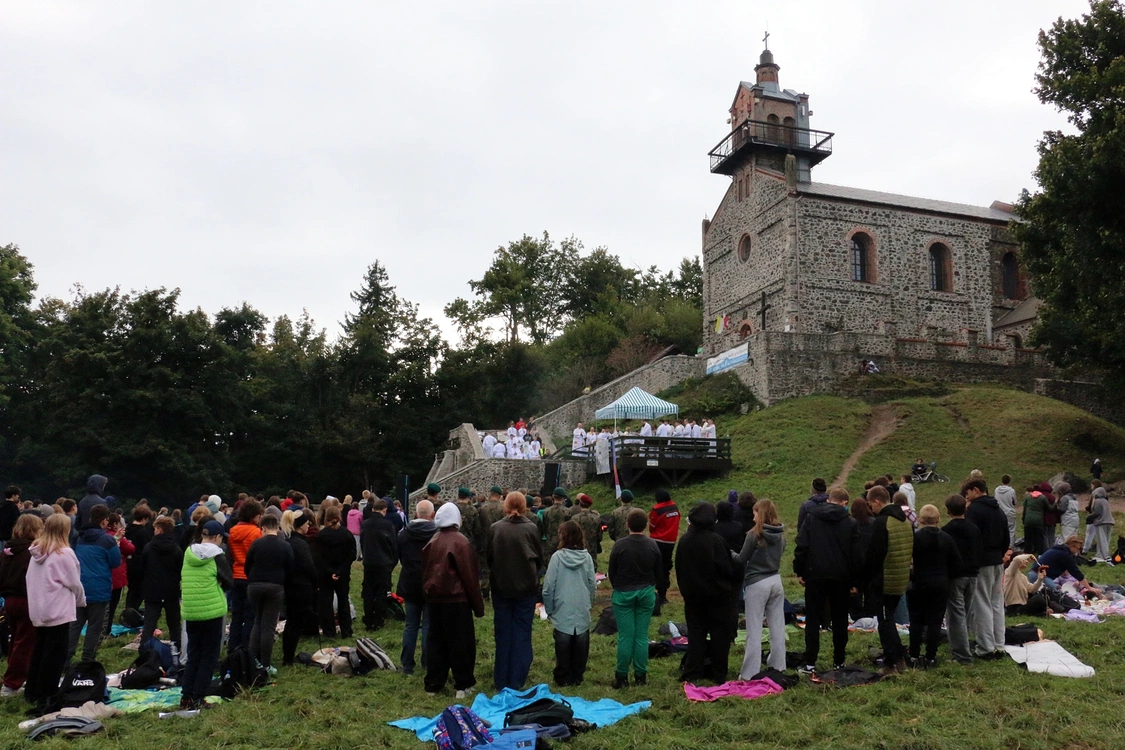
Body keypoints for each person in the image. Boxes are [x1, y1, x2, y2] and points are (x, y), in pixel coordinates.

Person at [795, 487, 860, 675]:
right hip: (841, 577)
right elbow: (856, 555)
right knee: (840, 619)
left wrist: (800, 571)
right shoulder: (850, 523)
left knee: (813, 618)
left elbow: (802, 546)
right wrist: (855, 581)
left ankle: (810, 662)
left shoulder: (811, 518)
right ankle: (839, 661)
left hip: (815, 574)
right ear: (845, 503)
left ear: (829, 500)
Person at [675, 501, 742, 684]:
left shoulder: (685, 540)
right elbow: (726, 569)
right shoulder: (716, 541)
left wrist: (685, 590)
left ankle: (693, 671)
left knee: (696, 635)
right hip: (717, 597)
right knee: (720, 635)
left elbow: (679, 567)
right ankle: (718, 672)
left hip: (693, 597)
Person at [423, 503, 485, 699]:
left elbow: (425, 572)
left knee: (436, 642)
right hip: (457, 600)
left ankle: (434, 684)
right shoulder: (461, 542)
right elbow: (469, 576)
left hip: (435, 600)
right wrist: (478, 606)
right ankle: (463, 684)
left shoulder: (432, 541)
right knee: (461, 643)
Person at [25, 514, 84, 715]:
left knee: (40, 650)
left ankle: (33, 690)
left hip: (39, 608)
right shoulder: (64, 554)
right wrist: (81, 601)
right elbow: (74, 582)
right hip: (58, 609)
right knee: (55, 654)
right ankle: (47, 693)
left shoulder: (36, 553)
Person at [488, 492, 543, 691]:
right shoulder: (531, 529)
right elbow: (539, 557)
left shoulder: (496, 529)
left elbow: (490, 557)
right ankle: (517, 678)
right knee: (522, 633)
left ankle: (501, 678)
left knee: (503, 632)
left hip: (501, 587)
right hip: (525, 588)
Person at [180, 520, 233, 710]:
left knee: (194, 654)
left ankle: (186, 696)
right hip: (211, 611)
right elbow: (229, 581)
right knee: (208, 657)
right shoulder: (217, 556)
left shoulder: (188, 553)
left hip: (191, 610)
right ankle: (198, 696)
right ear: (217, 537)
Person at [608, 508, 663, 688]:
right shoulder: (652, 545)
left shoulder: (620, 545)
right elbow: (659, 571)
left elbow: (612, 571)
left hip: (623, 592)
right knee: (641, 635)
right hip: (646, 591)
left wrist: (618, 586)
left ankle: (622, 676)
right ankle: (640, 675)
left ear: (627, 525)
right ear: (646, 525)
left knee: (625, 636)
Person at [861, 485, 912, 674]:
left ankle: (891, 662)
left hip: (885, 581)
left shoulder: (882, 523)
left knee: (884, 622)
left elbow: (875, 556)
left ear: (876, 501)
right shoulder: (904, 521)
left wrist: (866, 580)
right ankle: (900, 656)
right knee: (889, 618)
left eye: (870, 504)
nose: (870, 509)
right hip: (901, 578)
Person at [542, 521, 596, 687]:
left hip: (562, 606)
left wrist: (549, 609)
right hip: (581, 605)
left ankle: (562, 676)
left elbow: (548, 587)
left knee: (562, 642)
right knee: (581, 641)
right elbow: (592, 584)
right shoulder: (587, 558)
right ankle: (577, 675)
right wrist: (589, 603)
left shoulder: (557, 558)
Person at [737, 499, 786, 679]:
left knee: (754, 630)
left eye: (755, 513)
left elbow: (742, 558)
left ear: (761, 513)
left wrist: (728, 552)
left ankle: (749, 672)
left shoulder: (754, 534)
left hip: (757, 583)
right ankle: (778, 666)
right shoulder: (781, 535)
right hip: (775, 580)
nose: (753, 517)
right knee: (777, 627)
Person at [66, 504, 121, 665]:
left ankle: (66, 658)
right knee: (95, 626)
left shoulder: (79, 537)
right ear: (104, 521)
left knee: (75, 625)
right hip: (99, 588)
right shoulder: (108, 540)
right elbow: (116, 562)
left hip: (79, 586)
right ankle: (88, 659)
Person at [908, 505, 961, 668]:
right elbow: (957, 563)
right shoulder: (947, 539)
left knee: (916, 620)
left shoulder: (915, 538)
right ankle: (931, 656)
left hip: (919, 583)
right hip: (940, 584)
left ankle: (914, 654)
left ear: (920, 520)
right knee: (935, 621)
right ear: (938, 520)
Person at [963, 478, 1010, 660]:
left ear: (975, 490)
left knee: (981, 604)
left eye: (967, 493)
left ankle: (985, 647)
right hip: (997, 561)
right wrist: (1000, 554)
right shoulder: (999, 510)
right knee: (997, 603)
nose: (967, 497)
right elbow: (1006, 537)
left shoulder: (973, 510)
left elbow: (970, 537)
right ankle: (999, 644)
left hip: (981, 562)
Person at [0, 514, 43, 697]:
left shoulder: (7, 551)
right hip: (27, 600)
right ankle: (11, 684)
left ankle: (14, 678)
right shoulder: (31, 552)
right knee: (25, 643)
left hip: (10, 601)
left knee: (16, 640)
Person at [245, 514, 292, 670]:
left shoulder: (256, 544)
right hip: (275, 586)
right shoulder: (285, 546)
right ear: (277, 528)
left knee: (257, 621)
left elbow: (247, 565)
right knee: (269, 626)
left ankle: (252, 660)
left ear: (263, 528)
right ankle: (265, 663)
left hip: (255, 585)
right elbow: (290, 567)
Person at [397, 499, 437, 675]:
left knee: (411, 624)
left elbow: (400, 557)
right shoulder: (436, 535)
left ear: (415, 513)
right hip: (430, 583)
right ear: (433, 515)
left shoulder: (403, 535)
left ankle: (407, 664)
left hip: (410, 582)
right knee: (428, 625)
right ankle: (427, 662)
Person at [941, 494, 982, 664]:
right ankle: (963, 645)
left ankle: (962, 654)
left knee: (955, 615)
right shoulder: (974, 529)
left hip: (955, 576)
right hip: (972, 575)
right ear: (965, 508)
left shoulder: (946, 531)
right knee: (965, 612)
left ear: (948, 511)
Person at [138, 516, 183, 651]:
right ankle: (177, 649)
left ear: (159, 529)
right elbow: (180, 570)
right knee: (174, 624)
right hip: (171, 591)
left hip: (152, 591)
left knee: (149, 624)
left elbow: (142, 569)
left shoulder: (148, 548)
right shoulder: (177, 549)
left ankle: (144, 651)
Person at [282, 510, 318, 666]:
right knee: (296, 623)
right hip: (302, 587)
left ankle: (287, 654)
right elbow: (308, 566)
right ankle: (288, 657)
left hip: (289, 586)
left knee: (291, 621)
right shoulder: (301, 544)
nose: (308, 525)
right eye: (307, 523)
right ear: (301, 525)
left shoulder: (288, 541)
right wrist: (316, 583)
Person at [314, 506, 356, 638]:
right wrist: (340, 571)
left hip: (325, 574)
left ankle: (329, 631)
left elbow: (318, 558)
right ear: (340, 517)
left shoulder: (321, 536)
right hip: (343, 573)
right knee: (343, 601)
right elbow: (351, 556)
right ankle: (346, 630)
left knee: (326, 602)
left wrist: (329, 572)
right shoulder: (347, 535)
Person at [228, 499, 263, 651]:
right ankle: (246, 647)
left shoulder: (232, 531)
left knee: (236, 614)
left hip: (236, 575)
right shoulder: (256, 533)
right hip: (250, 575)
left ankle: (233, 646)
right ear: (254, 516)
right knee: (250, 615)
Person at [360, 498, 398, 631]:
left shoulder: (365, 524)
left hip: (369, 562)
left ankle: (369, 617)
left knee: (368, 591)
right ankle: (379, 618)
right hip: (384, 563)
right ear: (384, 510)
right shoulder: (388, 525)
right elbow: (393, 545)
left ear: (372, 509)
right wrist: (392, 562)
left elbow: (362, 542)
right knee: (382, 592)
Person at [649, 489, 680, 614]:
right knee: (666, 567)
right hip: (670, 541)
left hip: (657, 541)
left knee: (654, 567)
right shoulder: (675, 507)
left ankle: (653, 594)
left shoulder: (657, 510)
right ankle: (663, 595)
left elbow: (652, 526)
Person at [1036, 536, 1102, 596]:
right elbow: (1076, 573)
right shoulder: (1065, 555)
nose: (1078, 551)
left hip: (1041, 574)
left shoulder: (1059, 550)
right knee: (1059, 595)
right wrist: (1089, 588)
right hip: (1041, 576)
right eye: (1079, 548)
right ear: (1072, 546)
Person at [104, 513, 135, 636]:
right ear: (116, 524)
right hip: (116, 575)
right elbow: (130, 548)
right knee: (112, 605)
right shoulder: (117, 538)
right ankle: (107, 630)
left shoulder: (102, 535)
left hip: (103, 575)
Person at [123, 506, 154, 611]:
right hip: (139, 565)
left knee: (131, 590)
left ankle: (128, 609)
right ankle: (131, 612)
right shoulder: (143, 532)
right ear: (144, 518)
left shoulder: (127, 530)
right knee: (138, 592)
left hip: (127, 563)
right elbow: (146, 549)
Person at [477, 487, 504, 599]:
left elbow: (478, 528)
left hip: (485, 541)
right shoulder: (503, 508)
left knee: (485, 567)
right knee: (500, 566)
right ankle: (498, 589)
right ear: (499, 495)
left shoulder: (482, 509)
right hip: (500, 541)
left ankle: (485, 591)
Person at [570, 494, 602, 568]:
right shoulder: (596, 518)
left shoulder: (574, 518)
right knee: (592, 567)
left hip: (578, 548)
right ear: (590, 505)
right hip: (592, 548)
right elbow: (599, 536)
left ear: (580, 504)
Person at [540, 488, 571, 566]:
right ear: (563, 498)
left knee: (550, 565)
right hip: (564, 542)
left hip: (549, 542)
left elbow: (544, 527)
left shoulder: (546, 511)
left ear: (553, 496)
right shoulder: (568, 512)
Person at [1088, 486, 1116, 564]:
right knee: (1106, 539)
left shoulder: (1098, 501)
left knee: (1101, 540)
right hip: (1110, 522)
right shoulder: (1105, 501)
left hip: (1101, 522)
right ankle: (1100, 554)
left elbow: (1097, 513)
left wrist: (1089, 517)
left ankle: (1105, 556)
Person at [1021, 485, 1049, 555]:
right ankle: (1039, 553)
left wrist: (1023, 519)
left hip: (1028, 520)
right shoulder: (1043, 497)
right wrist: (1055, 504)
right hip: (1039, 521)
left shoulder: (1028, 497)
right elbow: (1049, 508)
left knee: (1028, 538)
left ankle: (1026, 553)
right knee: (1039, 538)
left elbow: (1024, 509)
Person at [0, 485, 23, 552]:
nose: (18, 497)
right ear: (13, 495)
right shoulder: (13, 508)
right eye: (17, 495)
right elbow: (17, 522)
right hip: (8, 537)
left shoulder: (1, 505)